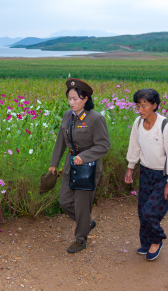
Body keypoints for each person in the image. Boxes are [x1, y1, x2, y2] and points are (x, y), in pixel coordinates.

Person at [49, 78, 111, 253]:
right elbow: (61, 141)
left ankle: (80, 239)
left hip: (88, 168)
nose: (71, 102)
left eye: (75, 98)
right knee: (65, 201)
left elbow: (104, 145)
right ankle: (87, 223)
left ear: (85, 98)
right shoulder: (68, 116)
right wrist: (54, 164)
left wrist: (84, 156)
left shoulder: (95, 119)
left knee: (82, 205)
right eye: (69, 98)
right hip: (70, 166)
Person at [124, 88, 168, 261]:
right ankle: (146, 243)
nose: (140, 110)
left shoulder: (167, 126)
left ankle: (157, 240)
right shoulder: (138, 123)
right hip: (146, 172)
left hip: (163, 175)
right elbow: (134, 146)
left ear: (155, 105)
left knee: (149, 212)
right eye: (138, 106)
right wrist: (130, 168)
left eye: (144, 106)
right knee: (142, 212)